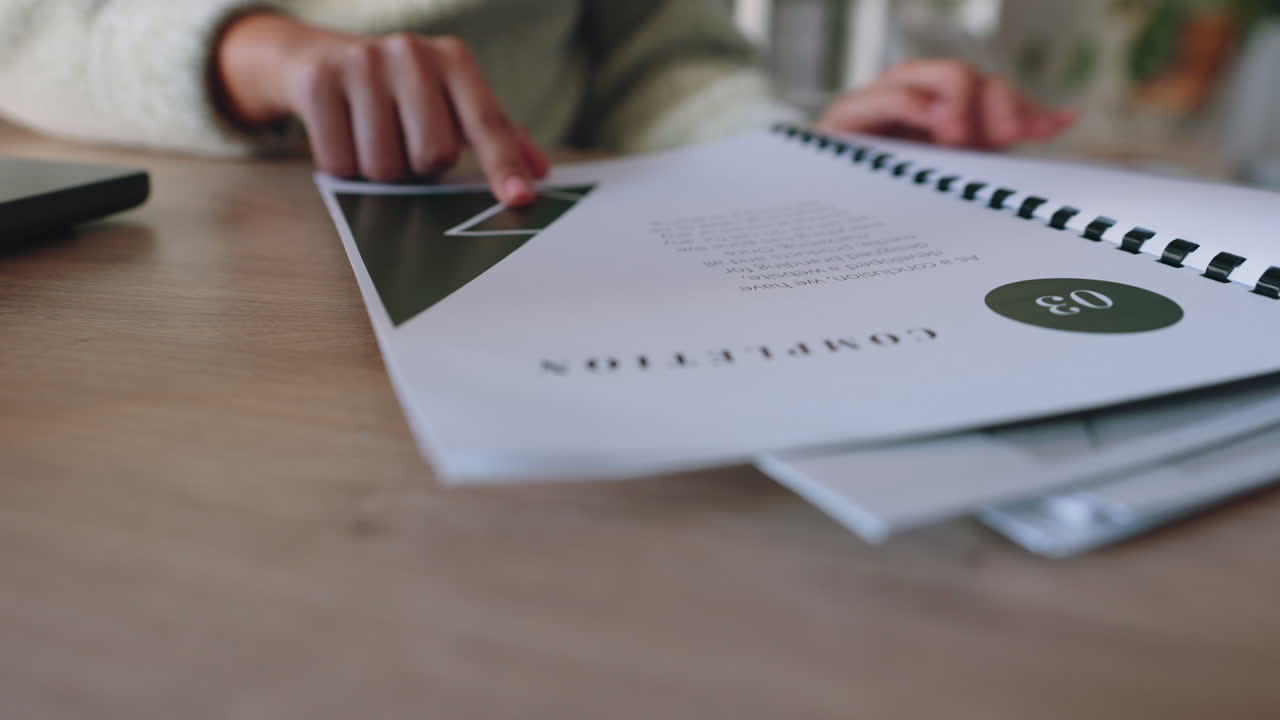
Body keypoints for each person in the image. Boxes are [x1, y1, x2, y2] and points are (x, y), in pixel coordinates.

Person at [0, 1, 1072, 206]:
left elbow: (658, 61)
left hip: (511, 221)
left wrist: (790, 150)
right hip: (176, 245)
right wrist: (248, 54)